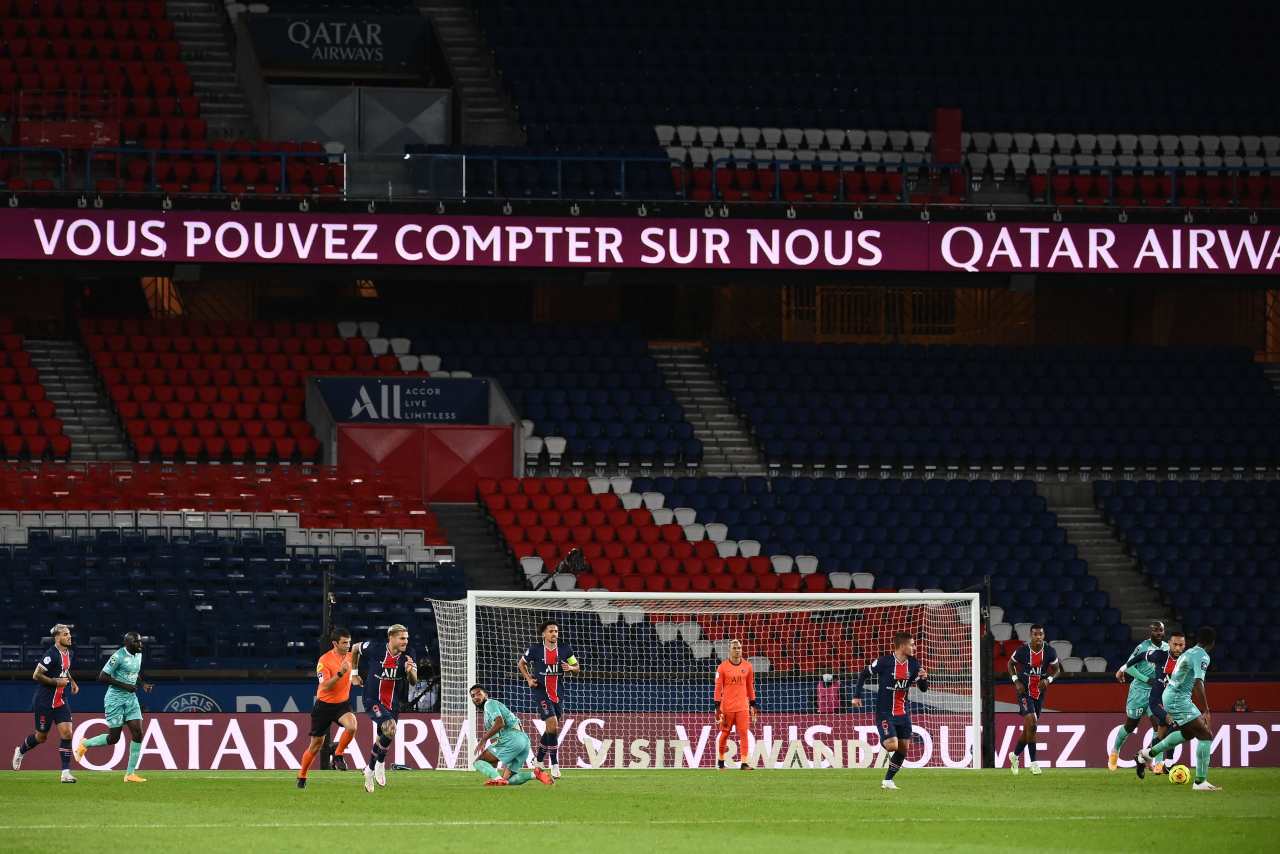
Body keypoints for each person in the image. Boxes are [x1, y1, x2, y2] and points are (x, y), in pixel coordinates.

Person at [1137, 626, 1219, 790]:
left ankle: (1146, 754)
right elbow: (1198, 682)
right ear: (1212, 643)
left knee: (1188, 733)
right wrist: (1206, 710)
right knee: (1205, 735)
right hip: (1178, 698)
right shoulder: (1202, 656)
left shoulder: (1189, 652)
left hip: (1173, 695)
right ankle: (1200, 782)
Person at [852, 630, 929, 789]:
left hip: (903, 714)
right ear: (902, 646)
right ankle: (884, 736)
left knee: (903, 749)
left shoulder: (914, 664)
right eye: (912, 645)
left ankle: (888, 780)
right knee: (892, 746)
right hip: (885, 713)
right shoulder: (884, 662)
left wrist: (923, 678)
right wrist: (857, 696)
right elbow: (864, 674)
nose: (914, 647)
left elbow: (923, 689)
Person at [74, 631, 154, 782]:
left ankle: (130, 774)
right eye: (136, 642)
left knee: (138, 733)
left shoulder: (138, 654)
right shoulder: (118, 656)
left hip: (131, 699)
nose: (140, 644)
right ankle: (85, 743)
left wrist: (142, 684)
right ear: (127, 644)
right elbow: (102, 677)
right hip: (115, 700)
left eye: (140, 641)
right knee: (113, 738)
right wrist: (125, 686)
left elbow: (133, 672)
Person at [350, 623, 418, 793]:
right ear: (391, 638)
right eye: (402, 638)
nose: (405, 641)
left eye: (407, 638)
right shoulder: (375, 648)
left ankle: (375, 765)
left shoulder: (409, 654)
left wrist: (410, 671)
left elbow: (413, 681)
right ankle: (373, 768)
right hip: (372, 699)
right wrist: (354, 674)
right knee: (390, 727)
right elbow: (355, 648)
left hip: (393, 704)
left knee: (387, 734)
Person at [12, 623, 80, 782]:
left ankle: (65, 773)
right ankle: (21, 751)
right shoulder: (51, 654)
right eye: (65, 634)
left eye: (69, 633)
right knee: (41, 737)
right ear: (57, 637)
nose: (69, 636)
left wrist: (72, 681)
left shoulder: (69, 653)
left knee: (67, 733)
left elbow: (64, 669)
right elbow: (36, 675)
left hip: (61, 700)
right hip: (45, 701)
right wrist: (56, 682)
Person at [296, 627, 359, 788]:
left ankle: (338, 754)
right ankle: (302, 776)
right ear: (335, 644)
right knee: (316, 745)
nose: (348, 645)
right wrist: (340, 673)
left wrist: (355, 676)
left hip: (342, 704)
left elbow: (357, 659)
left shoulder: (351, 656)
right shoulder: (324, 661)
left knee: (352, 726)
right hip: (324, 706)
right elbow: (325, 686)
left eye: (349, 642)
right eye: (344, 643)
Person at [518, 620, 579, 779]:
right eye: (551, 631)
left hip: (558, 693)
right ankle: (554, 764)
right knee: (552, 723)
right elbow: (521, 664)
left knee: (551, 728)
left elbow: (577, 667)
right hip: (541, 691)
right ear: (544, 634)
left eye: (556, 631)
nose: (554, 634)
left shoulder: (565, 649)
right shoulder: (535, 649)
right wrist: (528, 679)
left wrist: (570, 668)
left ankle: (538, 760)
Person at [1118, 630, 1184, 775]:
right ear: (1169, 644)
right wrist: (1122, 669)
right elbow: (1141, 656)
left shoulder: (1186, 661)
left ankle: (1141, 757)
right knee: (1173, 724)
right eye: (1175, 644)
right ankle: (1169, 763)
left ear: (1184, 646)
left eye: (1181, 645)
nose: (1178, 648)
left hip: (1171, 701)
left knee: (1161, 736)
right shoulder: (1160, 655)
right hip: (1156, 701)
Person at [1109, 620, 1169, 771]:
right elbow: (1129, 667)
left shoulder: (1167, 648)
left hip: (1156, 693)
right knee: (1130, 726)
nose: (1159, 633)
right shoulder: (1142, 647)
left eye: (1161, 630)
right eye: (1156, 630)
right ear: (1151, 632)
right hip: (1138, 692)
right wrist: (1147, 679)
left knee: (1159, 724)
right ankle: (1115, 751)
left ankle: (1158, 763)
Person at [469, 684, 553, 787]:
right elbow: (495, 756)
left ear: (485, 694)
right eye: (473, 696)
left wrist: (483, 739)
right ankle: (535, 774)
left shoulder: (489, 703)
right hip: (524, 741)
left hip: (512, 738)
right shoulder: (488, 712)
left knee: (478, 762)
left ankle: (498, 779)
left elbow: (500, 723)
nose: (476, 697)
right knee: (509, 780)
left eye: (478, 694)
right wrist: (493, 772)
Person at [1007, 624, 1060, 775]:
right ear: (1031, 635)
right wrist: (1016, 681)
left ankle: (1014, 756)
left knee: (1029, 729)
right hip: (1024, 692)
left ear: (1044, 636)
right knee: (1032, 723)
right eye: (1035, 634)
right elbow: (1010, 664)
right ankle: (1034, 763)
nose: (1038, 637)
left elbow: (1057, 670)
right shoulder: (1022, 650)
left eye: (1040, 634)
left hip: (1039, 693)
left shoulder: (1050, 651)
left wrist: (1048, 680)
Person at [714, 638, 758, 769]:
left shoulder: (748, 666)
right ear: (729, 650)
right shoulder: (722, 667)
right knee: (725, 733)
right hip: (727, 707)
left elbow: (750, 686)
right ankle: (721, 761)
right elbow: (718, 688)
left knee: (744, 733)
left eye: (739, 648)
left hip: (742, 707)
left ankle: (744, 763)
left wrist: (753, 704)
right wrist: (717, 707)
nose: (737, 650)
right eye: (734, 648)